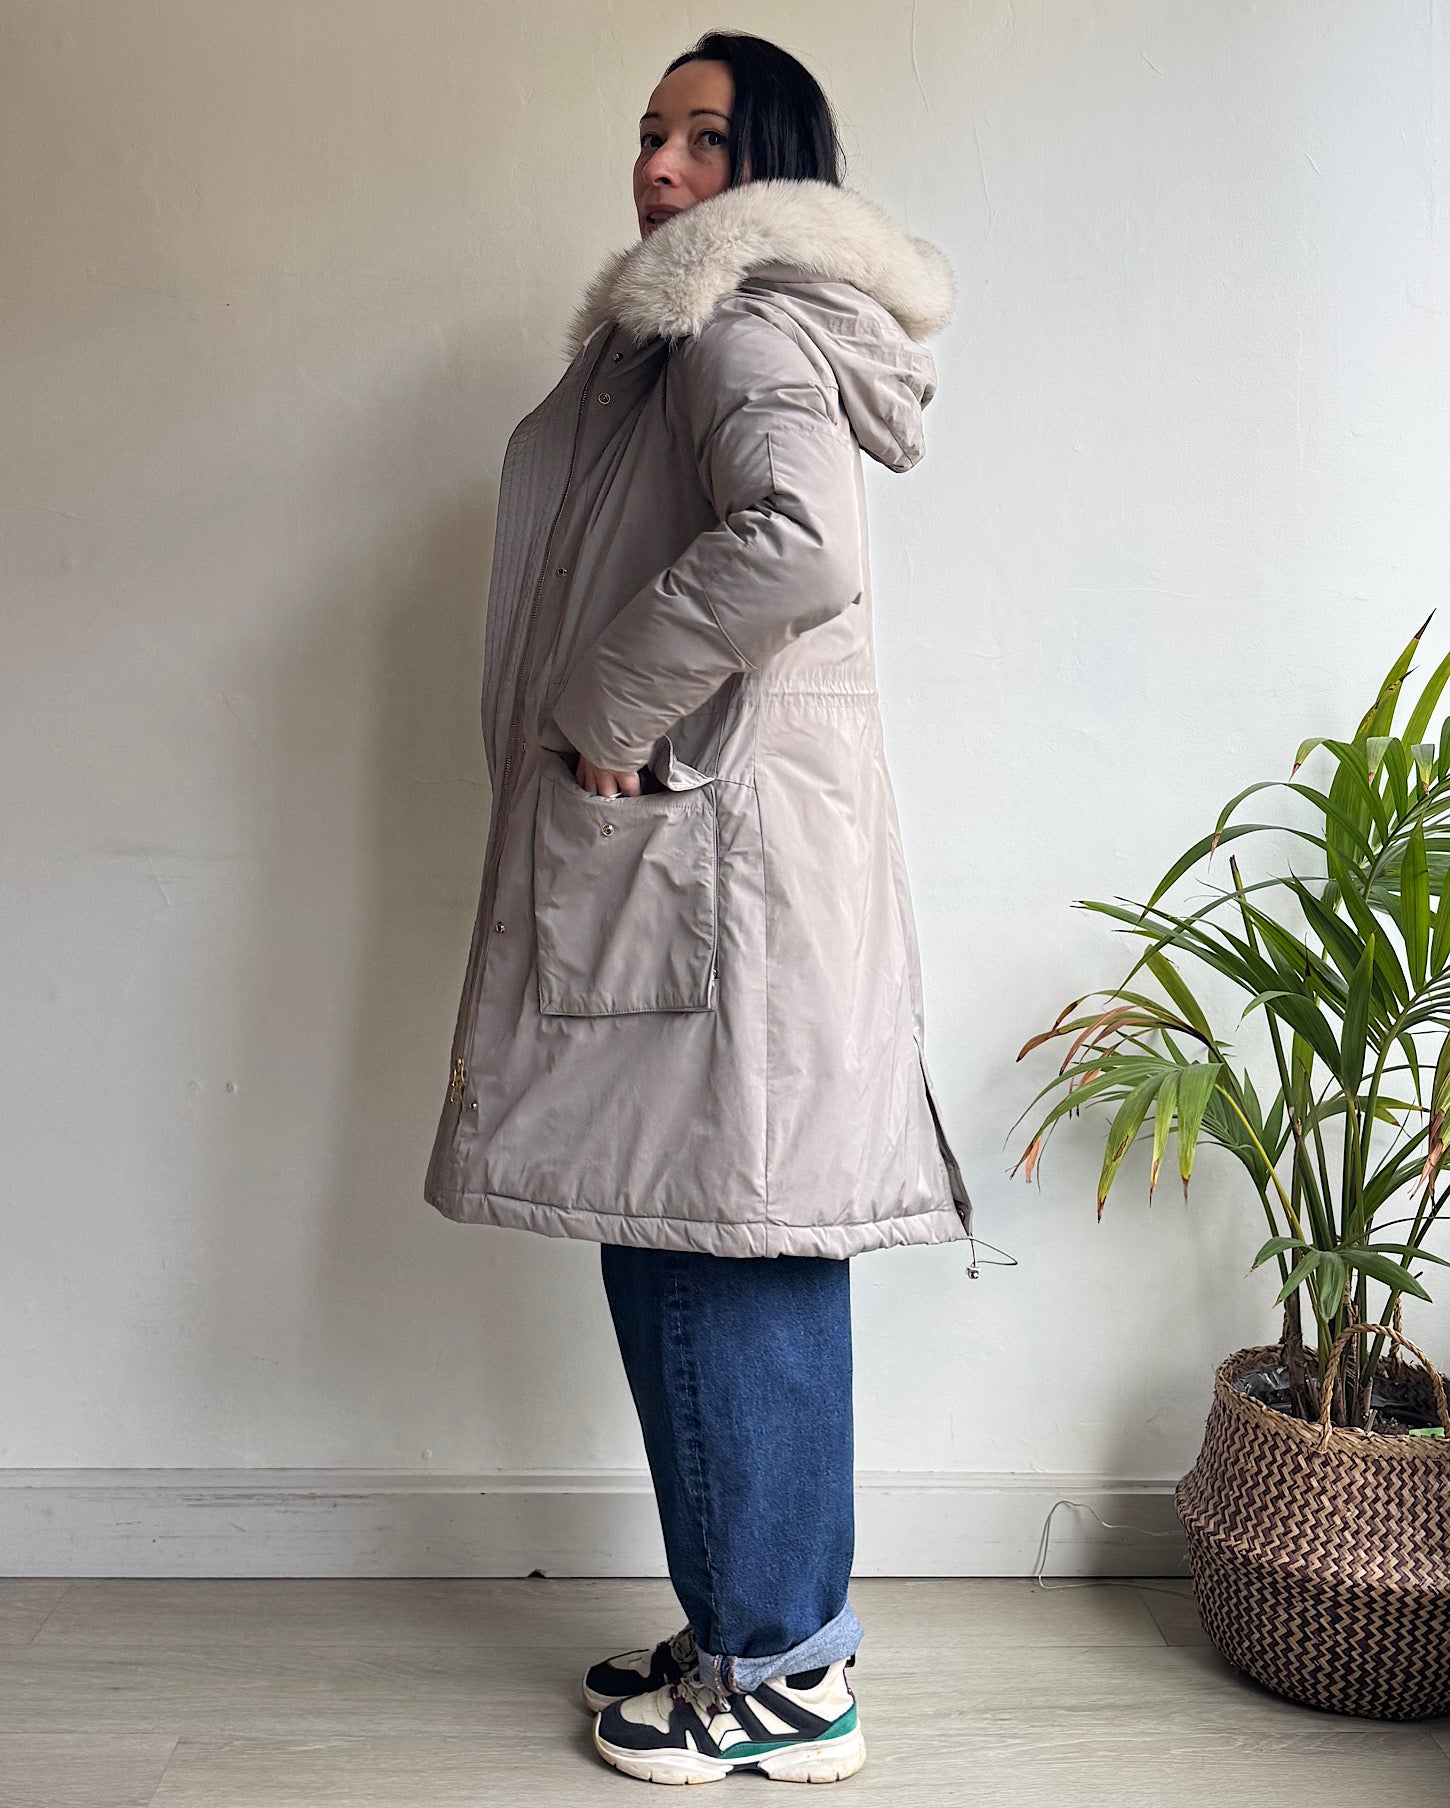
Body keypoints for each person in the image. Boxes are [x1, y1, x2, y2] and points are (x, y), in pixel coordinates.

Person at [423, 29, 972, 1787]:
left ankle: (782, 1677)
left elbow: (799, 545)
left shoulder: (737, 325)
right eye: (651, 131)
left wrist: (601, 705)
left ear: (773, 165)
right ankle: (753, 1625)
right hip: (707, 873)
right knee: (695, 1233)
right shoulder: (703, 332)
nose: (659, 166)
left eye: (706, 139)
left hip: (721, 880)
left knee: (726, 1246)